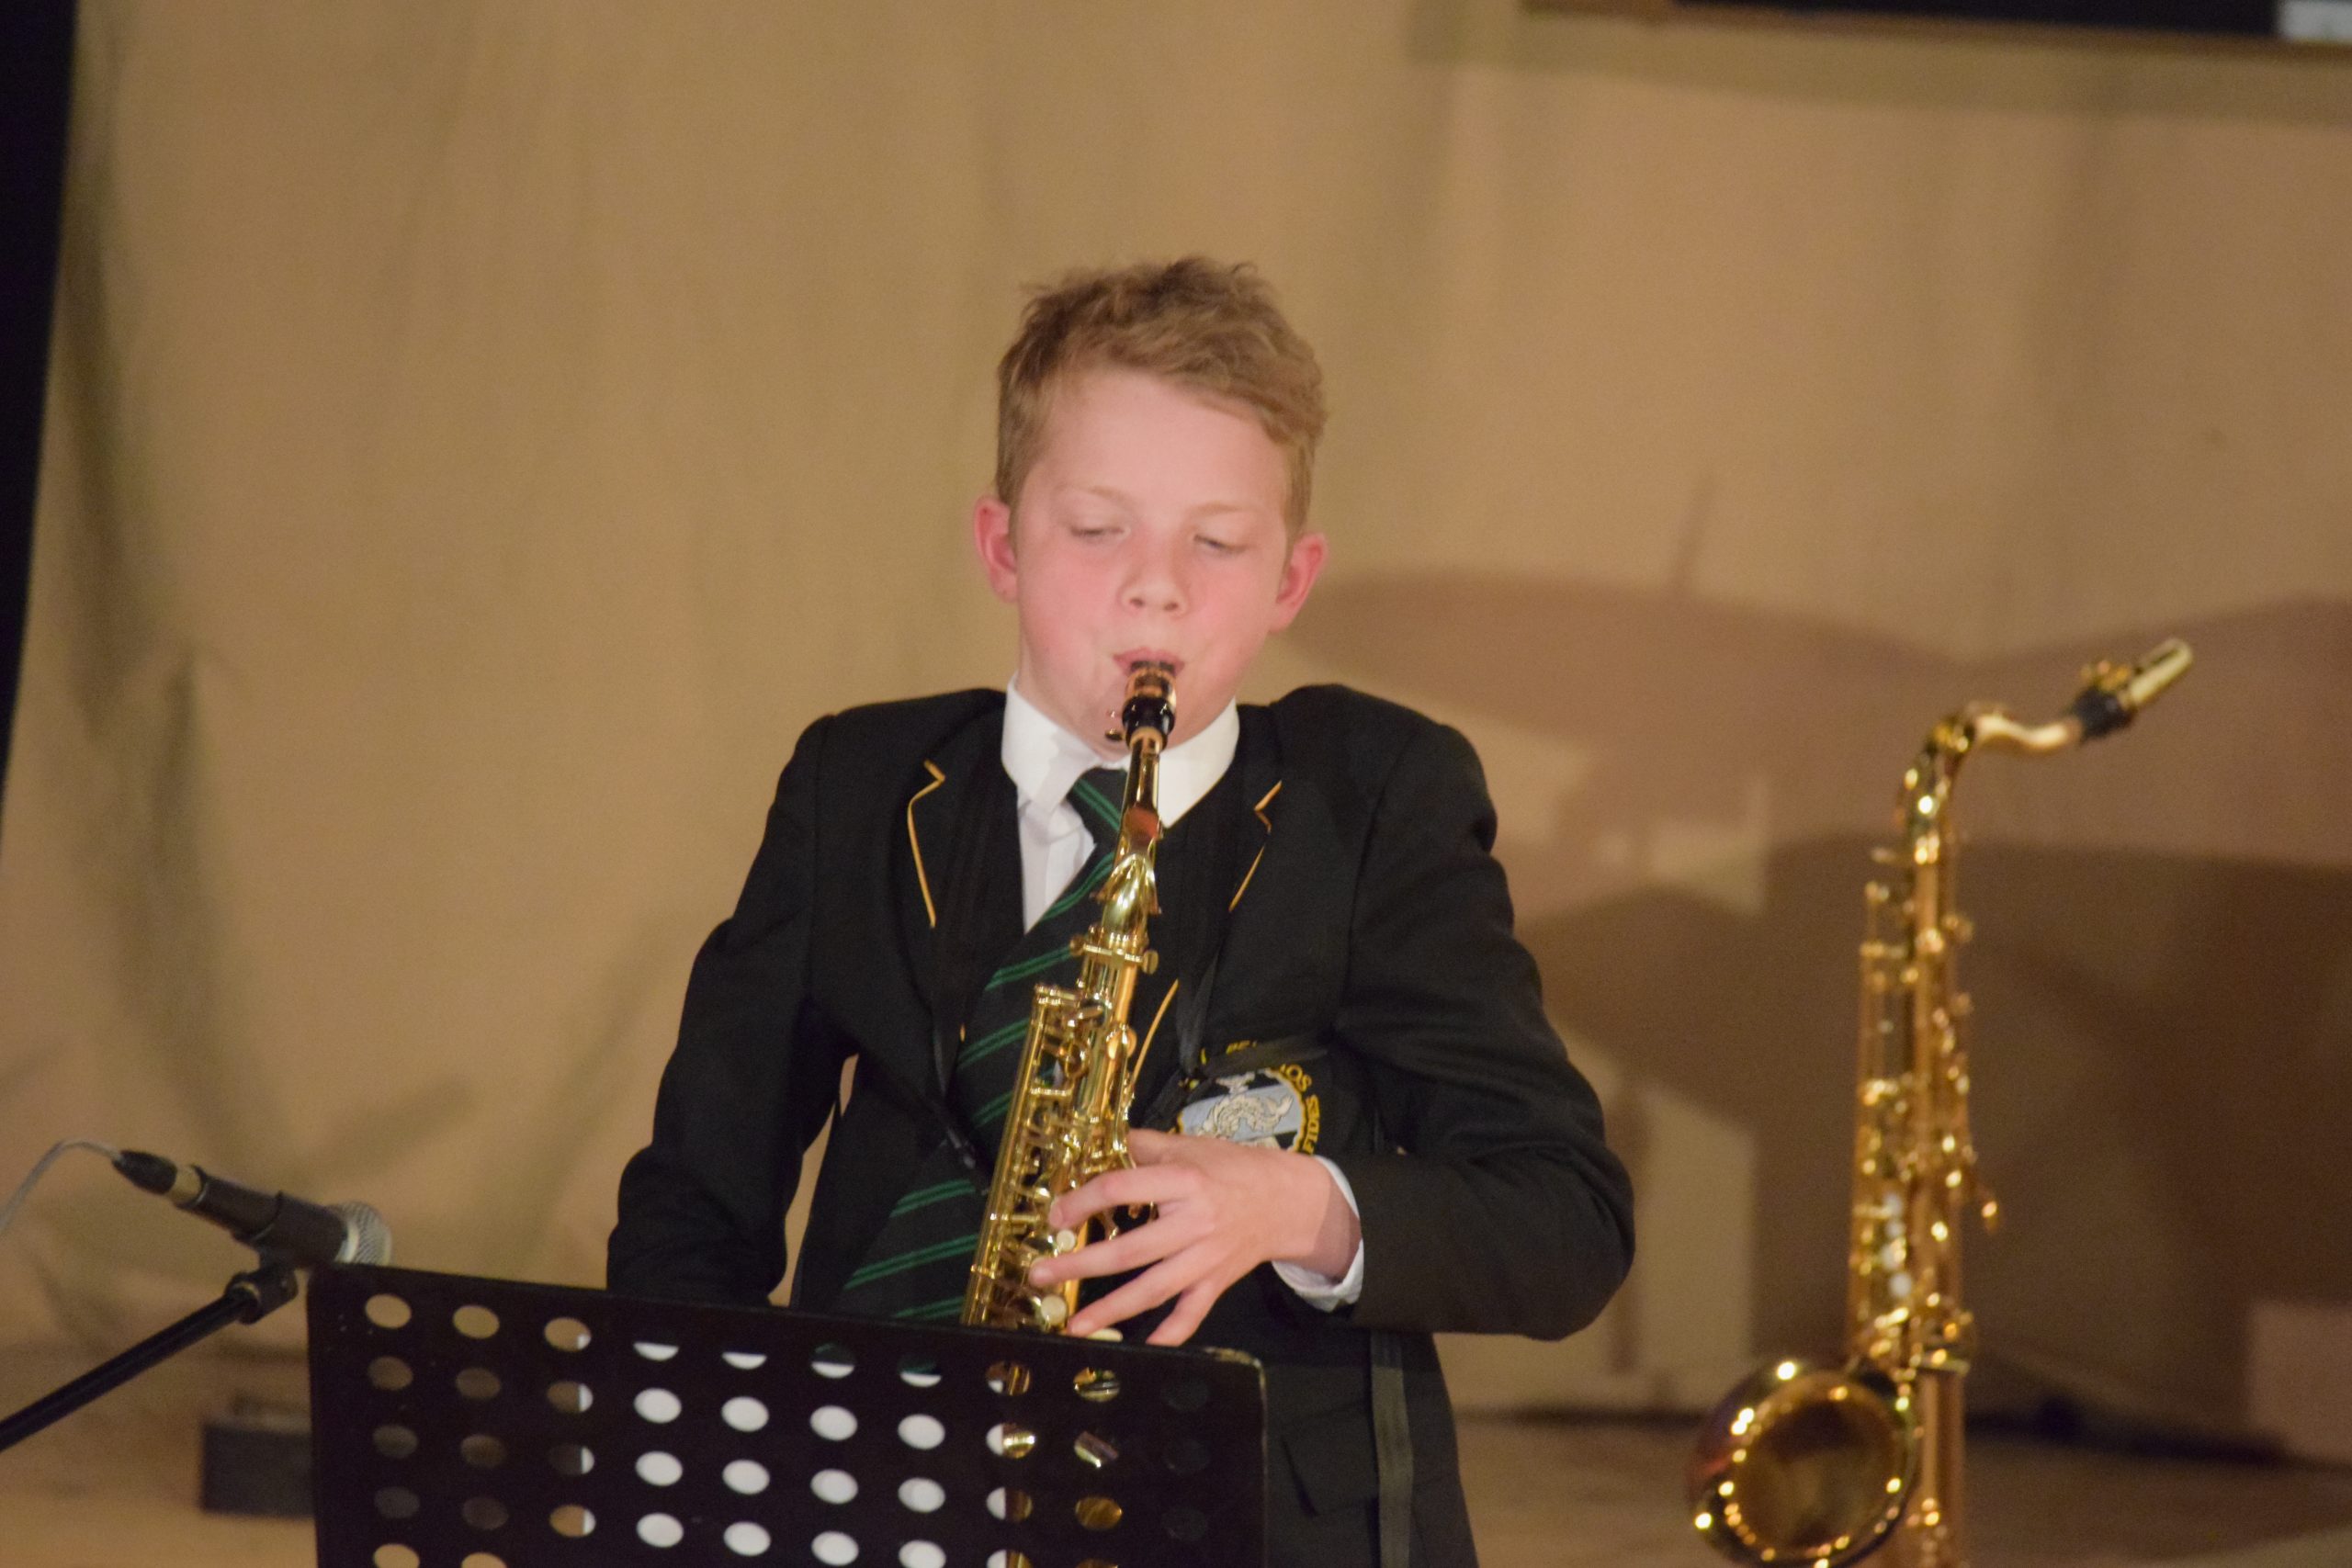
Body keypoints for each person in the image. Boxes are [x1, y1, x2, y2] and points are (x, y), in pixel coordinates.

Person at [607, 257, 1633, 1567]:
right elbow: (698, 1200)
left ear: (1292, 580)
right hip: (878, 1493)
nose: (1157, 589)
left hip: (1243, 1523)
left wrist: (1300, 1209)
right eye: (1099, 530)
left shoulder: (1373, 800)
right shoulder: (853, 785)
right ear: (1002, 547)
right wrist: (693, 1472)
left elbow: (1565, 1220)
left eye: (1218, 543)